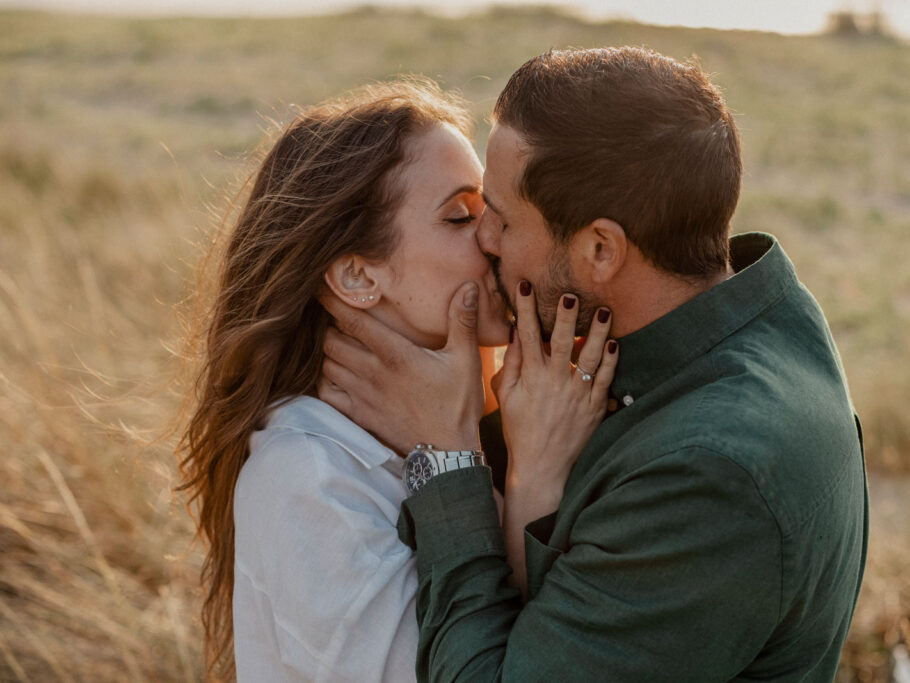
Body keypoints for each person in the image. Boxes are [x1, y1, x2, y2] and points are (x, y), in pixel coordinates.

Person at [317, 47, 869, 681]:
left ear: (601, 249)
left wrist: (446, 457)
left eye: (502, 219)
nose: (485, 240)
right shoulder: (751, 323)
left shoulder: (709, 476)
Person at [177, 81, 618, 681]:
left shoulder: (508, 406)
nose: (494, 237)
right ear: (359, 276)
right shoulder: (310, 478)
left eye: (493, 209)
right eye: (460, 216)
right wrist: (530, 478)